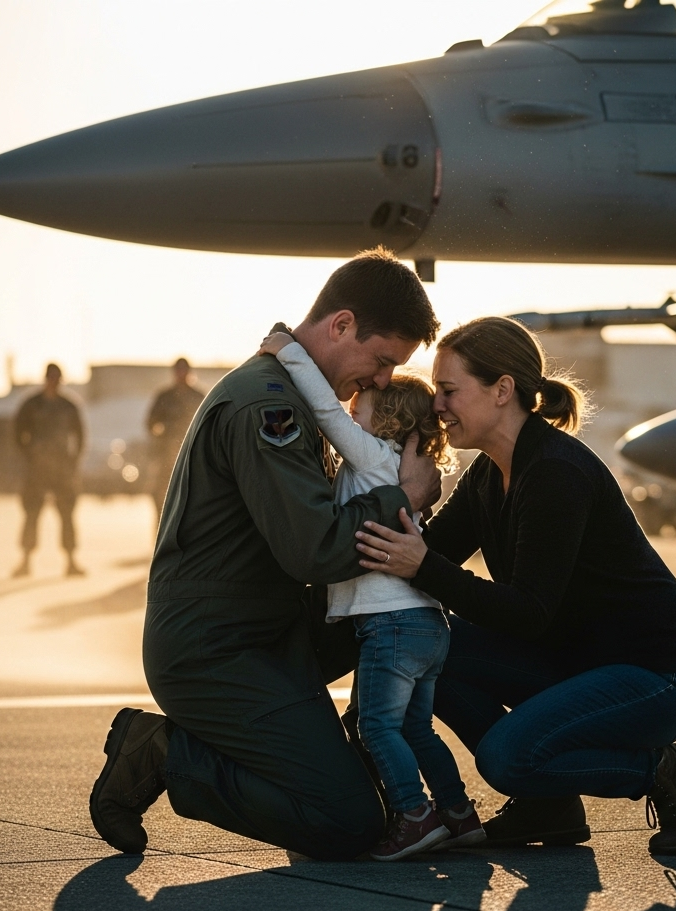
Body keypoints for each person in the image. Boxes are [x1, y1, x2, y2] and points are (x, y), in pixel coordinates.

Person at [88, 248, 442, 860]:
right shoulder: (268, 406)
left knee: (427, 630)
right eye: (382, 361)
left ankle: (369, 754)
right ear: (341, 326)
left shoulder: (297, 393)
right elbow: (316, 548)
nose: (384, 380)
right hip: (216, 649)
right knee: (347, 821)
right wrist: (401, 497)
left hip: (270, 628)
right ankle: (163, 753)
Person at [355, 316, 676, 857]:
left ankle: (666, 769)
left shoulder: (554, 474)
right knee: (432, 648)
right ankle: (550, 803)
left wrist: (423, 563)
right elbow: (432, 556)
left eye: (449, 391)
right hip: (574, 661)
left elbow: (525, 611)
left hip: (656, 675)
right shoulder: (487, 473)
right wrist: (405, 494)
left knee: (506, 759)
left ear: (502, 391)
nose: (437, 407)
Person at [258, 331, 485, 861]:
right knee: (416, 729)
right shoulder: (397, 467)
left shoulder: (372, 458)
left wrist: (289, 353)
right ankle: (457, 813)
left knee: (375, 726)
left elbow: (325, 413)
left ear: (383, 420)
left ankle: (414, 815)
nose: (349, 406)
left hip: (390, 623)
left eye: (359, 404)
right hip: (428, 623)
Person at [12, 363, 85, 578]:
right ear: (45, 379)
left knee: (67, 514)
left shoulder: (68, 406)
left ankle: (71, 561)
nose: (53, 382)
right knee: (31, 513)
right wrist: (28, 457)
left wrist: (73, 462)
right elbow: (17, 433)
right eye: (50, 378)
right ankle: (25, 561)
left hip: (62, 469)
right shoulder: (31, 405)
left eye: (57, 378)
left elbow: (80, 436)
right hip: (37, 469)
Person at [147, 358, 204, 515]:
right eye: (178, 370)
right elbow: (150, 423)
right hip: (166, 457)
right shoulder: (164, 397)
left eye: (184, 370)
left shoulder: (198, 397)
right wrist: (164, 435)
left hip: (191, 457)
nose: (181, 374)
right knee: (162, 503)